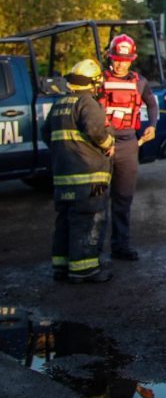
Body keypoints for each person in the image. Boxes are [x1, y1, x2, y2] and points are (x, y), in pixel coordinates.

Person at [43, 59, 115, 284]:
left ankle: (62, 266)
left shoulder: (59, 104)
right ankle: (85, 269)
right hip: (89, 177)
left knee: (65, 220)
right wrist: (108, 143)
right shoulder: (87, 103)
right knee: (90, 219)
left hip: (64, 176)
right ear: (93, 83)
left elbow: (46, 134)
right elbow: (96, 130)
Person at [99, 34, 157, 261]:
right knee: (96, 199)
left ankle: (120, 246)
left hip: (128, 145)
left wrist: (152, 126)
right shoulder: (99, 81)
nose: (120, 63)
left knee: (123, 198)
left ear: (132, 59)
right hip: (100, 145)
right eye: (116, 58)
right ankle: (91, 250)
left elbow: (152, 105)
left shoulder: (139, 82)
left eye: (125, 59)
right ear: (110, 57)